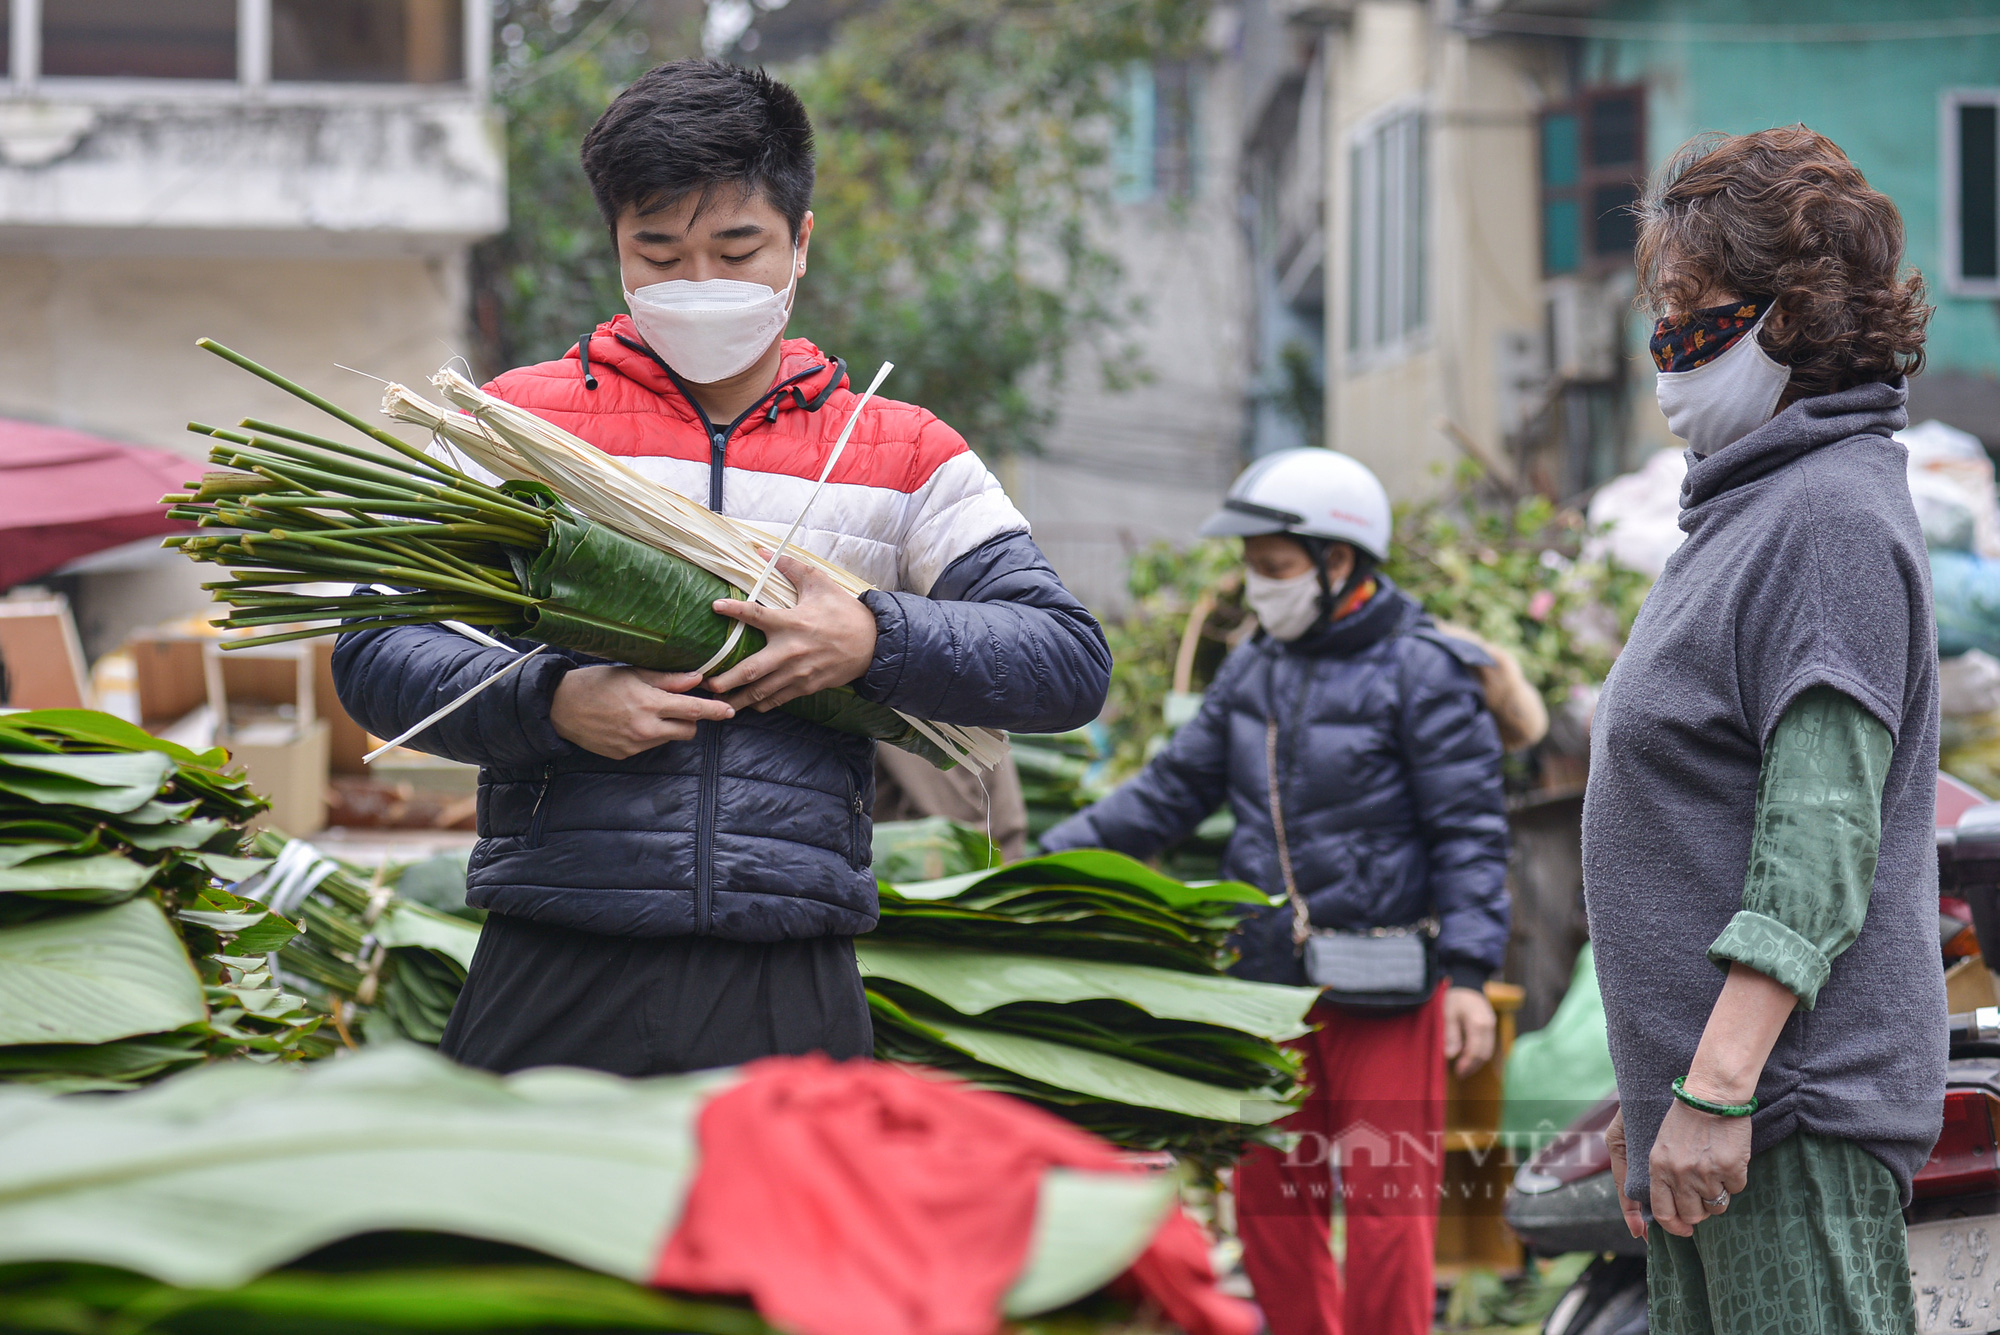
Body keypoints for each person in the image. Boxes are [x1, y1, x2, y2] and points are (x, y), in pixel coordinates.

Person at [332, 60, 1110, 1077]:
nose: (696, 281)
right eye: (658, 251)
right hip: (554, 947)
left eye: (734, 247)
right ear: (614, 247)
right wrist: (551, 700)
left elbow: (1064, 662)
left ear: (799, 242)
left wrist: (871, 638)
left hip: (786, 961)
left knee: (771, 1240)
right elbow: (373, 647)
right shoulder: (510, 433)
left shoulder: (902, 453)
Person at [1585, 126, 1941, 1335]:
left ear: (1787, 315)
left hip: (1786, 1117)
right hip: (1723, 1122)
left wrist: (1716, 1090)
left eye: (1688, 309)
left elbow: (1815, 843)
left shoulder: (1827, 516)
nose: (1662, 346)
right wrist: (1663, 1110)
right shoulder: (1747, 512)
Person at [1040, 447, 1511, 1335]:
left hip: (1390, 986)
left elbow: (1471, 834)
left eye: (1275, 567)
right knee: (1270, 1204)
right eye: (1251, 567)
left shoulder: (1425, 670)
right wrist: (1044, 863)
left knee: (1386, 1212)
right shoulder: (1256, 668)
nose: (1258, 587)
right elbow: (1167, 794)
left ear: (1339, 562)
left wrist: (1475, 977)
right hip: (1271, 991)